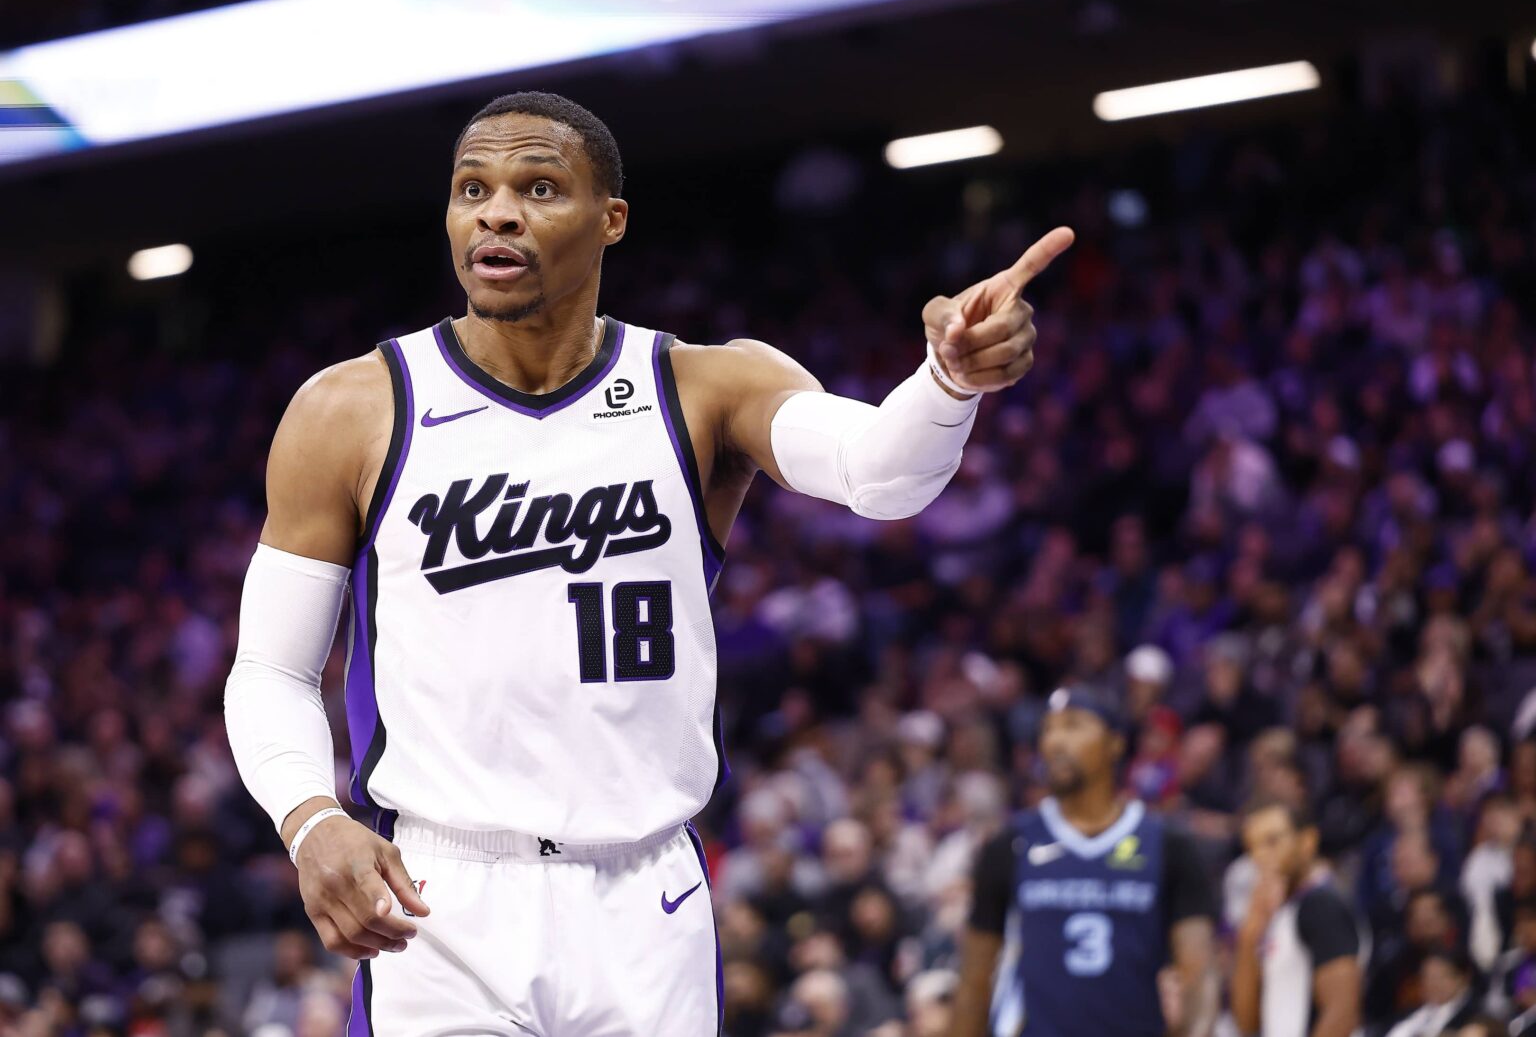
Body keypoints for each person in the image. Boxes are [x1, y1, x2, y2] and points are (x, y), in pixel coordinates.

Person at [221, 89, 1072, 1036]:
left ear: (609, 218)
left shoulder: (703, 384)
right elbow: (271, 667)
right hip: (441, 894)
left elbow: (881, 473)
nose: (497, 211)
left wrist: (949, 379)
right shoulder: (352, 408)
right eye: (473, 189)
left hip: (646, 894)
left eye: (538, 187)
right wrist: (309, 817)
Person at [953, 689, 1220, 1037]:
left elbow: (1198, 979)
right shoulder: (1011, 844)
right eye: (1048, 729)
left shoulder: (1169, 845)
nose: (1055, 741)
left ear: (1115, 744)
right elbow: (974, 982)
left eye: (1074, 726)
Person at [1233, 798, 1363, 1037]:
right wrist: (1250, 932)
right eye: (1252, 847)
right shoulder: (1281, 912)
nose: (1261, 855)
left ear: (1307, 841)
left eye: (1272, 841)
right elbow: (1247, 1022)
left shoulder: (1321, 905)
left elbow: (1341, 1014)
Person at [1381, 948, 1479, 1037]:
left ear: (1462, 978)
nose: (1432, 984)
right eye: (1426, 977)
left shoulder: (1474, 1018)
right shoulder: (1409, 1012)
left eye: (1439, 977)